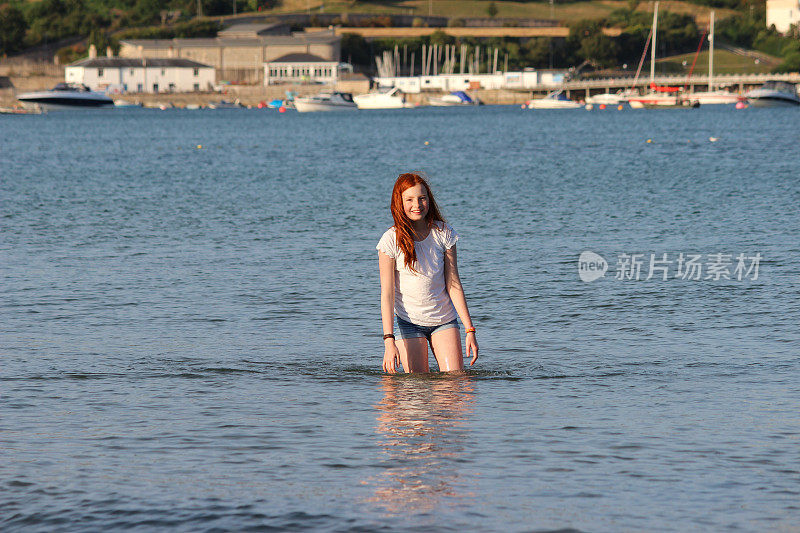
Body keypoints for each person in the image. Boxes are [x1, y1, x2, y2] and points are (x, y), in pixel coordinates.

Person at [376, 172, 479, 373]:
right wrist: (389, 341)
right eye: (410, 199)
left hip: (444, 320)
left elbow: (453, 283)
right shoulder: (390, 240)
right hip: (409, 323)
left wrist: (470, 329)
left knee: (455, 384)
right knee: (416, 389)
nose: (417, 204)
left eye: (422, 198)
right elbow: (387, 294)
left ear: (429, 200)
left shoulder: (444, 233)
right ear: (399, 202)